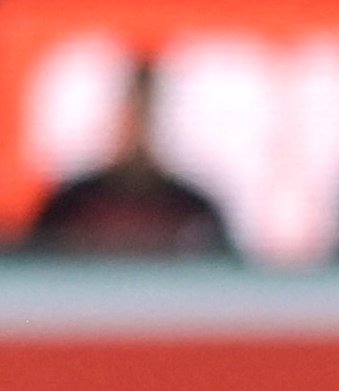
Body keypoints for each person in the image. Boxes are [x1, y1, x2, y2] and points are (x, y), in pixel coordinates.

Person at [25, 58, 230, 257]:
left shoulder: (194, 211)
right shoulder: (72, 205)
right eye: (132, 108)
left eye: (148, 109)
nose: (139, 123)